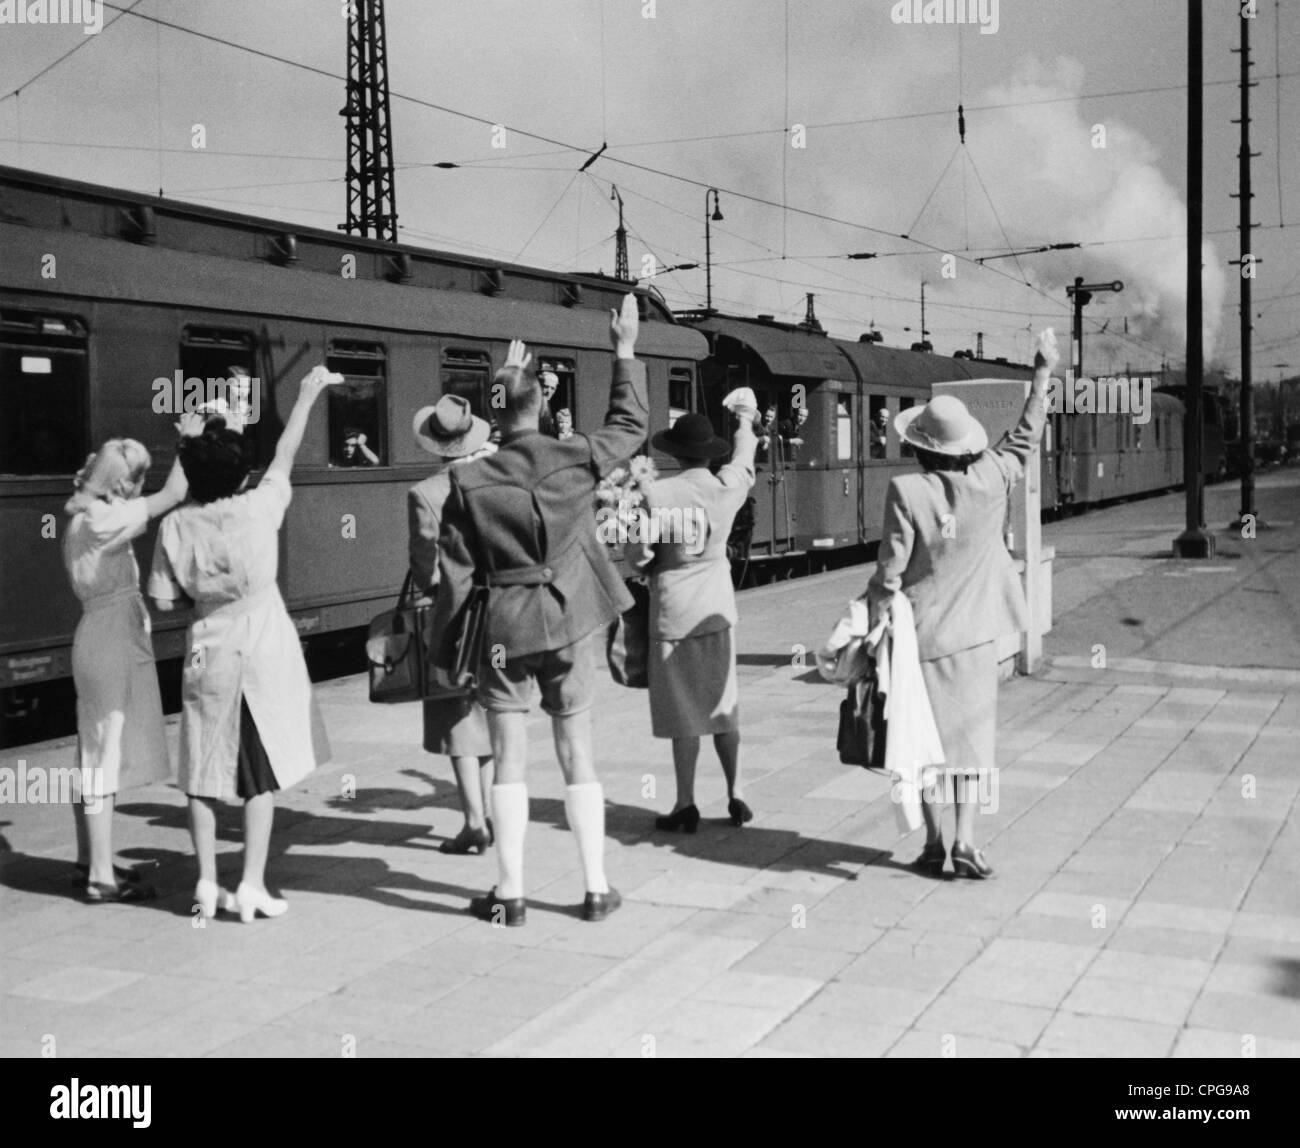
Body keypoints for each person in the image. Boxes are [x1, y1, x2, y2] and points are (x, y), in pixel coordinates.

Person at [432, 294, 646, 927]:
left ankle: (511, 894)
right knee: (577, 750)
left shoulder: (467, 484)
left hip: (504, 627)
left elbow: (453, 576)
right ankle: (596, 889)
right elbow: (631, 426)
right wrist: (623, 348)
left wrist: (447, 650)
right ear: (545, 406)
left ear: (492, 419)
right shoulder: (576, 457)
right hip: (573, 621)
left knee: (510, 756)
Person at [147, 366, 341, 921]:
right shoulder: (260, 506)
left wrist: (199, 599)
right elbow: (285, 452)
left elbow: (163, 601)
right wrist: (305, 396)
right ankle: (251, 884)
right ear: (238, 475)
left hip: (208, 649)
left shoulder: (175, 527)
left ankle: (207, 882)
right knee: (258, 775)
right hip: (261, 646)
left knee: (202, 771)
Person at [865, 329, 1059, 879]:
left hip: (921, 639)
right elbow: (1025, 438)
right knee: (972, 741)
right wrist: (1041, 372)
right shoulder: (992, 478)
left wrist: (874, 616)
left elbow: (889, 572)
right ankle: (967, 840)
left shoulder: (907, 492)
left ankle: (932, 843)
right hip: (977, 636)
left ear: (921, 448)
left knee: (923, 743)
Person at [62, 421, 199, 901]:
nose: (141, 487)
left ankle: (89, 859)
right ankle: (102, 876)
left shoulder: (87, 515)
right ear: (121, 483)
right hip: (110, 640)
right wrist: (189, 438)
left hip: (96, 635)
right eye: (138, 479)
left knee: (92, 752)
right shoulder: (103, 520)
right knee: (103, 756)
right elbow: (176, 492)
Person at [638, 404, 758, 833]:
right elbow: (744, 461)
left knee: (682, 711)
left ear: (676, 454)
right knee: (723, 704)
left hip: (672, 608)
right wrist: (745, 421)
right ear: (709, 454)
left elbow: (639, 554)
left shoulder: (657, 494)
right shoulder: (726, 488)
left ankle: (685, 802)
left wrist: (650, 562)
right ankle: (737, 792)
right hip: (716, 609)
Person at [409, 395, 497, 855]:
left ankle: (474, 822)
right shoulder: (492, 479)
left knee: (457, 718)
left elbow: (427, 569)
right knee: (488, 712)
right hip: (497, 612)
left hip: (451, 618)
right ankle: (487, 813)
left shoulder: (424, 493)